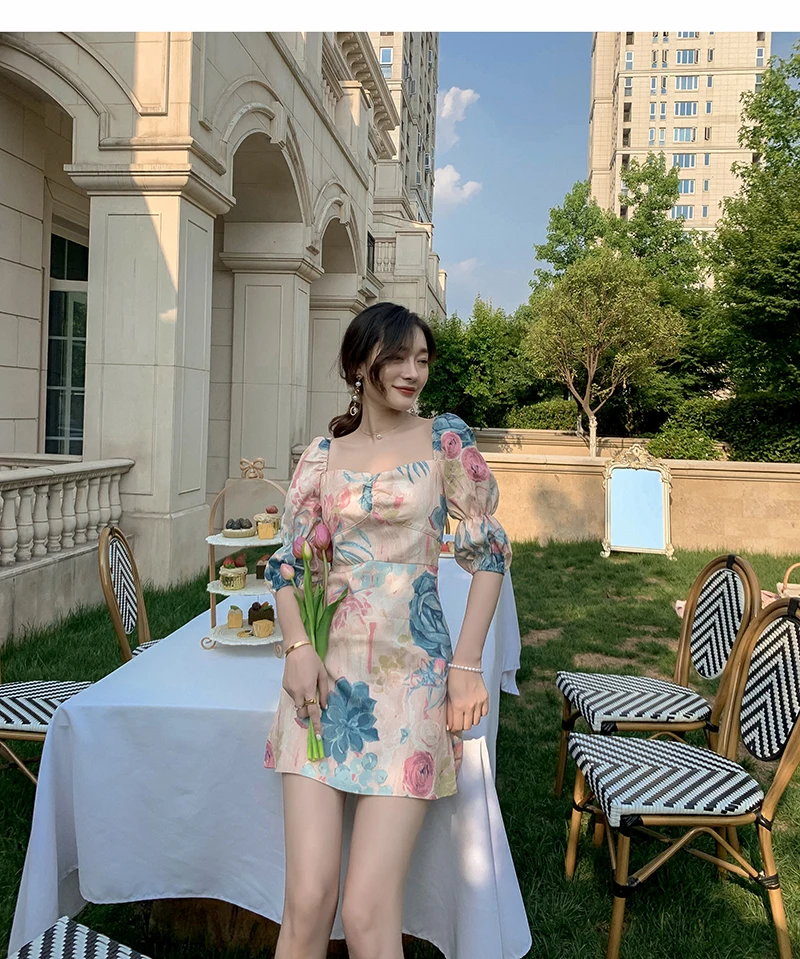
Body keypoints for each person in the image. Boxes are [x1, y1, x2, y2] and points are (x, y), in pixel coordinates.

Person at [265, 302, 513, 959]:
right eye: (397, 357)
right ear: (358, 364)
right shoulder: (323, 455)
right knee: (306, 902)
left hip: (412, 681)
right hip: (321, 682)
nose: (412, 372)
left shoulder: (444, 440)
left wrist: (466, 666)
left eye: (422, 359)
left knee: (368, 912)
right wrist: (296, 648)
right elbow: (286, 564)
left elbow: (489, 554)